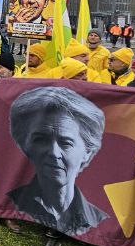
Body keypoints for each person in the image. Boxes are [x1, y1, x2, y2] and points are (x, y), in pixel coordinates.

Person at [6, 86, 109, 237]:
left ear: (88, 152)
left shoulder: (100, 221)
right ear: (24, 145)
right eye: (41, 140)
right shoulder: (7, 202)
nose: (54, 153)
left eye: (66, 142)